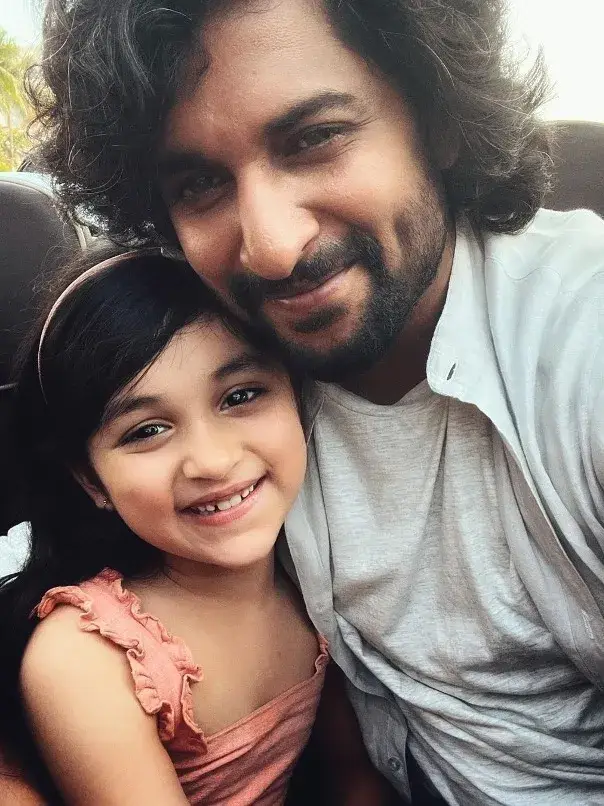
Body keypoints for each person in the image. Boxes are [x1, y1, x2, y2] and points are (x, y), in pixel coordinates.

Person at [2, 0, 603, 802]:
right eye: (200, 183)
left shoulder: (578, 341)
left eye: (314, 137)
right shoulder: (236, 338)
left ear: (439, 119)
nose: (273, 248)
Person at [0, 246, 397, 805]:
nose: (211, 460)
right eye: (146, 430)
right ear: (91, 480)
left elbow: (352, 775)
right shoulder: (90, 658)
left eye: (240, 396)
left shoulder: (312, 572)